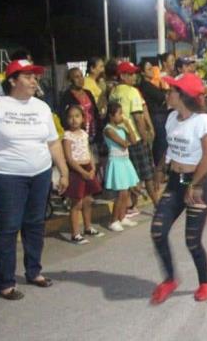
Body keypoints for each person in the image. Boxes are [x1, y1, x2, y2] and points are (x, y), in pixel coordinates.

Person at [0, 59, 70, 300]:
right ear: (12, 80)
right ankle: (6, 282)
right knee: (9, 227)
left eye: (35, 76)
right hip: (7, 176)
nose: (34, 80)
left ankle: (34, 271)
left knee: (34, 224)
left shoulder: (42, 107)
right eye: (27, 76)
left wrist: (63, 171)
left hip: (40, 173)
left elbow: (53, 142)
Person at [150, 73, 207, 304]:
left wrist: (195, 183)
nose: (167, 93)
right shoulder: (171, 118)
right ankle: (170, 279)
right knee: (158, 231)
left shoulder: (202, 121)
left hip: (197, 183)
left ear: (183, 96)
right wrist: (161, 169)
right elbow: (171, 149)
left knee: (192, 240)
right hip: (176, 181)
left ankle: (205, 283)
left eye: (171, 90)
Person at [109, 61, 159, 207]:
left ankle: (132, 205)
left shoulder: (114, 92)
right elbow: (138, 118)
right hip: (135, 138)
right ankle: (157, 204)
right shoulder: (132, 92)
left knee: (132, 175)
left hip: (121, 139)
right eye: (131, 74)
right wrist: (145, 137)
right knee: (147, 174)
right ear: (123, 76)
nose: (134, 76)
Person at [62, 105, 104, 245]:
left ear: (82, 118)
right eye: (70, 117)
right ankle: (75, 233)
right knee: (77, 202)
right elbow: (69, 158)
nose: (74, 120)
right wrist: (82, 172)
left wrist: (92, 168)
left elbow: (88, 152)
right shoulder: (67, 136)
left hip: (87, 167)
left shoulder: (84, 134)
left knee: (88, 200)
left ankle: (88, 227)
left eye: (77, 116)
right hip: (76, 169)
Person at [103, 102, 140, 231]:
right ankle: (113, 220)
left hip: (125, 161)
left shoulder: (121, 128)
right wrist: (127, 141)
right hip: (116, 162)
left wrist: (128, 125)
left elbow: (134, 140)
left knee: (127, 191)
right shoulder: (108, 130)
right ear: (111, 116)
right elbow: (123, 144)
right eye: (119, 114)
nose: (122, 116)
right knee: (121, 193)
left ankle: (122, 217)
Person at [138, 60, 170, 186]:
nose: (152, 71)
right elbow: (162, 97)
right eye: (148, 69)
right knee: (160, 143)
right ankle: (159, 171)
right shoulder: (146, 85)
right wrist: (164, 90)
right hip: (156, 115)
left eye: (152, 68)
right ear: (142, 72)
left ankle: (161, 170)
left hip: (160, 114)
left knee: (162, 143)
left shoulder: (153, 83)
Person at [59, 67, 101, 152]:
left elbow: (95, 112)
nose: (81, 79)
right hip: (77, 134)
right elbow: (63, 116)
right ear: (70, 80)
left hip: (92, 132)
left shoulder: (88, 93)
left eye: (81, 76)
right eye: (76, 77)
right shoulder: (66, 96)